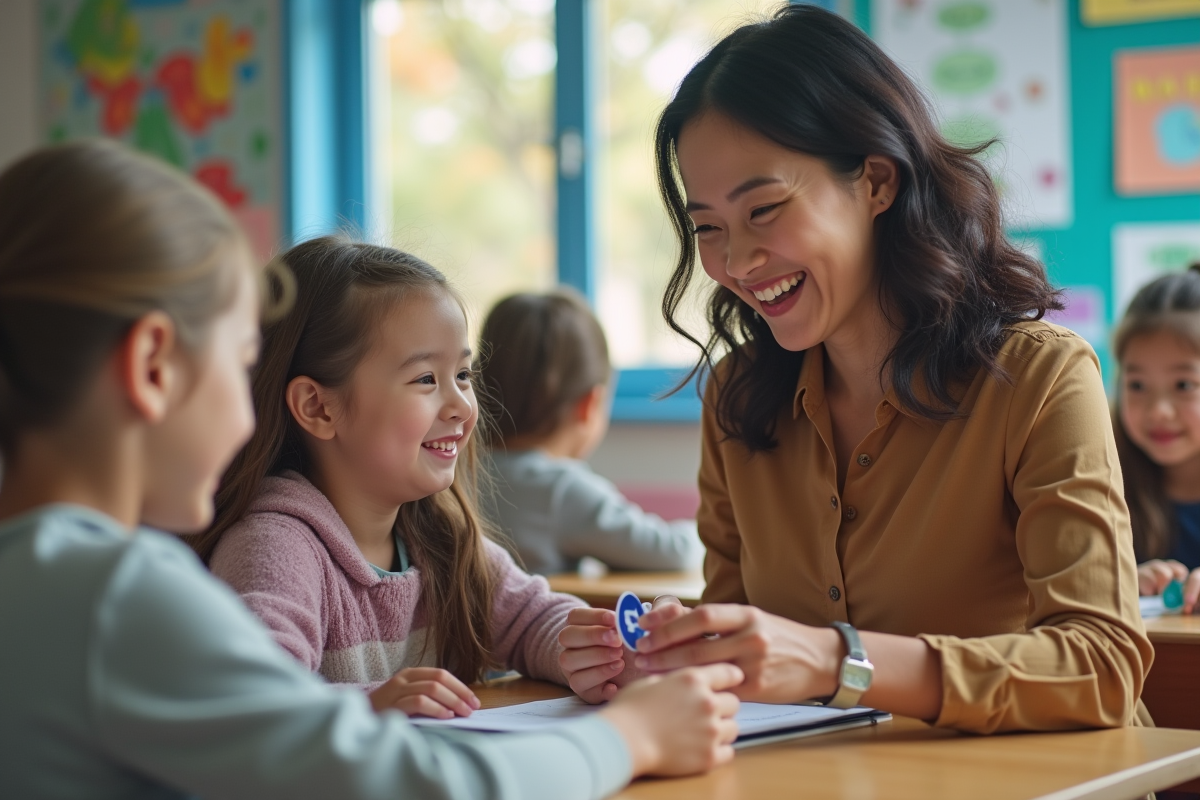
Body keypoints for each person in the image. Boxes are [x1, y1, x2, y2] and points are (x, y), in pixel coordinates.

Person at [0, 140, 743, 799]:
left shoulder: (49, 577)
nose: (246, 414)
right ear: (152, 367)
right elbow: (420, 784)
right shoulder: (112, 597)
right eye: (239, 366)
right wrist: (633, 737)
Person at [557, 5, 1151, 732]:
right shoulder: (740, 399)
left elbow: (1101, 667)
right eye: (707, 227)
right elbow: (739, 665)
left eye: (765, 209)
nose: (735, 263)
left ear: (875, 182)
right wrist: (662, 657)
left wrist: (838, 661)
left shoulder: (1040, 379)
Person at [191, 238, 629, 717]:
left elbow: (532, 620)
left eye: (463, 375)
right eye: (425, 379)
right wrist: (372, 704)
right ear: (317, 407)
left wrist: (597, 648)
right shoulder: (274, 546)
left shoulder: (439, 537)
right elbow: (253, 698)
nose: (463, 406)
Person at [477, 289, 702, 575]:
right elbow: (674, 552)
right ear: (589, 404)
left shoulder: (454, 476)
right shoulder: (559, 490)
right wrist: (706, 531)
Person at [1114, 265, 1200, 611]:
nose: (1158, 411)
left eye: (1183, 385)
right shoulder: (1105, 480)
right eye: (1137, 386)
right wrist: (1120, 582)